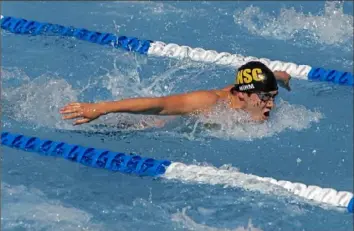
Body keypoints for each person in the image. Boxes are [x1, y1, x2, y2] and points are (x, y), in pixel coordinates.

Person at [59, 61, 291, 125]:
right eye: (265, 97)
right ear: (242, 95)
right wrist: (100, 108)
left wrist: (280, 77)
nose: (270, 103)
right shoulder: (210, 102)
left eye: (273, 96)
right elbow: (159, 104)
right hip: (146, 126)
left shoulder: (250, 96)